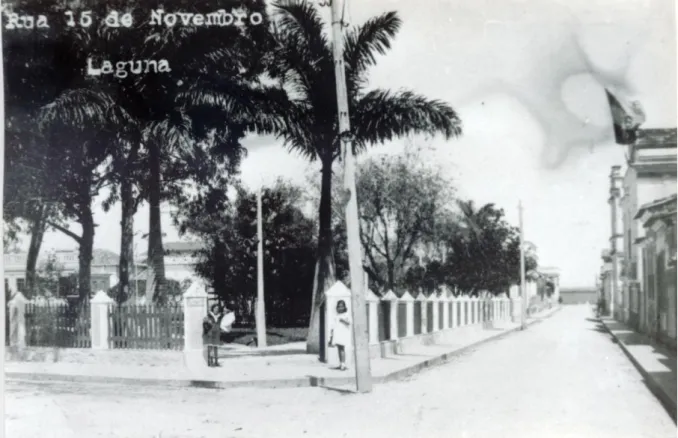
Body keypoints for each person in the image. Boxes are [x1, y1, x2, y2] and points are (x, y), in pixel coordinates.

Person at [329, 300, 351, 371]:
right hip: (337, 333)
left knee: (342, 349)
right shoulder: (336, 315)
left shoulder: (346, 314)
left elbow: (349, 323)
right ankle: (341, 363)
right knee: (339, 348)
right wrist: (332, 334)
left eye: (342, 306)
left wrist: (343, 320)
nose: (340, 308)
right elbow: (334, 325)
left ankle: (343, 364)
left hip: (343, 334)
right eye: (339, 307)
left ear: (344, 307)